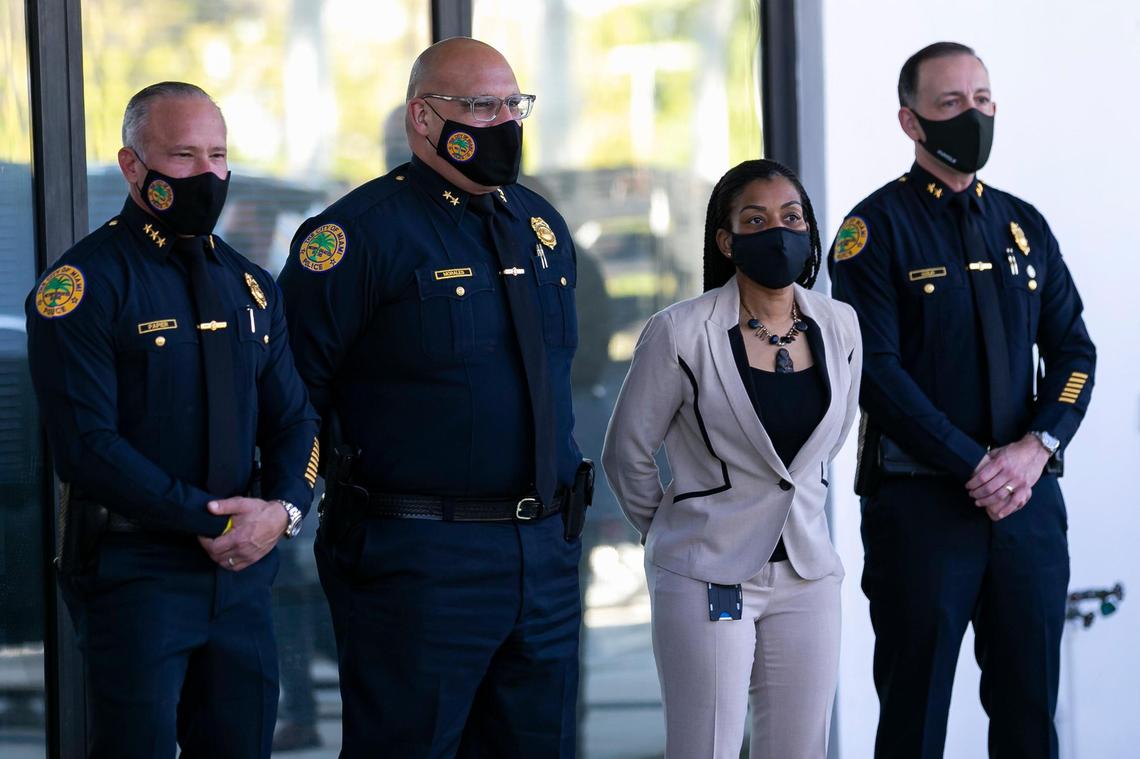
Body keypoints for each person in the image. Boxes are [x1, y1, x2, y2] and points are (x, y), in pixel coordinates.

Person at [277, 38, 591, 757]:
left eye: (515, 104)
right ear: (424, 117)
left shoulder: (541, 225)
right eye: (481, 106)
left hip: (541, 553)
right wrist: (290, 499)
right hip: (417, 558)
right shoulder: (356, 235)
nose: (504, 122)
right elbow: (294, 395)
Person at [25, 82, 320, 758]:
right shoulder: (82, 286)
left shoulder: (250, 285)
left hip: (243, 572)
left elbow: (296, 422)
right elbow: (88, 449)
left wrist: (282, 512)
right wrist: (214, 519)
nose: (208, 173)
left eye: (218, 154)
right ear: (134, 167)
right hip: (137, 575)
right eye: (183, 155)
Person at [828, 42, 1096, 758]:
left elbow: (1075, 352)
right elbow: (876, 373)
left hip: (1027, 509)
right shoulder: (870, 231)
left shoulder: (1023, 225)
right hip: (922, 513)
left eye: (982, 101)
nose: (970, 116)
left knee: (1030, 720)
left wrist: (1035, 448)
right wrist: (975, 463)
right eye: (950, 104)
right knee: (914, 725)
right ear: (910, 122)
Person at [602, 159, 862, 758]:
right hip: (707, 573)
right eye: (756, 219)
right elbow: (627, 455)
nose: (779, 231)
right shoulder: (679, 332)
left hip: (806, 573)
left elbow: (832, 437)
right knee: (706, 748)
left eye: (791, 217)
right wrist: (681, 528)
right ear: (726, 240)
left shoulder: (840, 324)